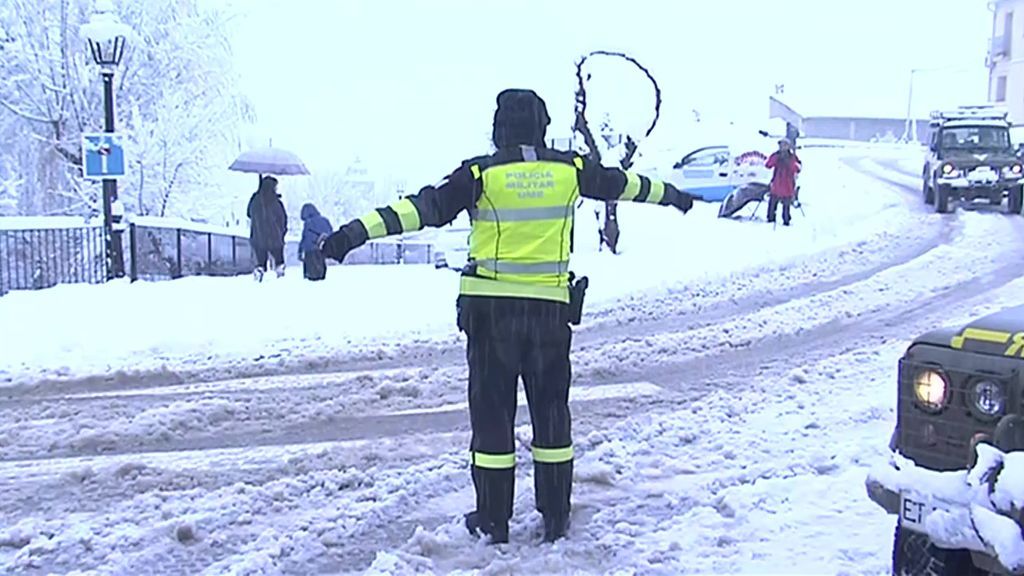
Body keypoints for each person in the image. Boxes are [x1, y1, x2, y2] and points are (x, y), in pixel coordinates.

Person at [318, 88, 697, 544]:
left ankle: (493, 520)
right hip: (549, 317)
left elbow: (420, 210)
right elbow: (628, 184)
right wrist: (673, 194)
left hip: (492, 315)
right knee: (552, 415)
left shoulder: (480, 173)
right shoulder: (571, 169)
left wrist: (352, 234)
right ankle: (555, 515)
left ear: (499, 130)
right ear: (543, 126)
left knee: (493, 417)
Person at [246, 175, 288, 281]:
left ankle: (259, 273)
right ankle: (280, 274)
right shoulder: (276, 202)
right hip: (275, 236)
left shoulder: (255, 200)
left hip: (258, 236)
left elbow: (249, 214)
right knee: (279, 258)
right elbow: (282, 218)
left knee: (260, 260)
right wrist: (282, 232)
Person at [765, 138, 802, 226]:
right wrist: (776, 158)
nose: (782, 147)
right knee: (772, 204)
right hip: (776, 184)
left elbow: (798, 168)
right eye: (781, 145)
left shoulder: (793, 157)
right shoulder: (776, 155)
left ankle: (786, 221)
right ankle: (770, 220)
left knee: (786, 206)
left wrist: (789, 162)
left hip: (787, 185)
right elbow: (768, 165)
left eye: (785, 145)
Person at [298, 203, 332, 281]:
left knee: (311, 277)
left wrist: (300, 251)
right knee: (321, 275)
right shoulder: (325, 220)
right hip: (322, 249)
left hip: (310, 251)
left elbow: (305, 238)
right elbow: (331, 233)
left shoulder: (308, 223)